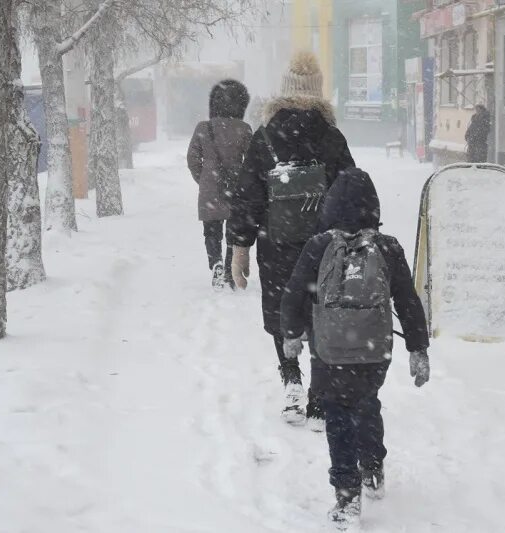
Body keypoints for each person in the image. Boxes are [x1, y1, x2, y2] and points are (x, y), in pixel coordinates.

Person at [280, 167, 430, 528]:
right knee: (366, 404)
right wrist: (417, 348)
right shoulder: (388, 247)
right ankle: (373, 466)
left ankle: (346, 497)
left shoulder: (319, 245)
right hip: (373, 349)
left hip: (330, 350)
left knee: (337, 416)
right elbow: (408, 300)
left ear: (329, 208)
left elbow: (294, 292)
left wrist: (291, 334)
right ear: (373, 208)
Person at [228, 51, 355, 427]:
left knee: (283, 310)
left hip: (276, 245)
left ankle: (291, 380)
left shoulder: (265, 137)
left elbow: (247, 195)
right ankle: (318, 395)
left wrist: (240, 248)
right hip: (324, 247)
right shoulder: (332, 138)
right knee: (320, 312)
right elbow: (351, 191)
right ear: (318, 93)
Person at [187, 79, 252, 290]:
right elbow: (252, 161)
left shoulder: (203, 128)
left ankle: (214, 263)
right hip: (236, 188)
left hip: (210, 187)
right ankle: (229, 269)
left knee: (211, 231)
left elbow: (192, 158)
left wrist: (203, 178)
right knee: (233, 232)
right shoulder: (244, 129)